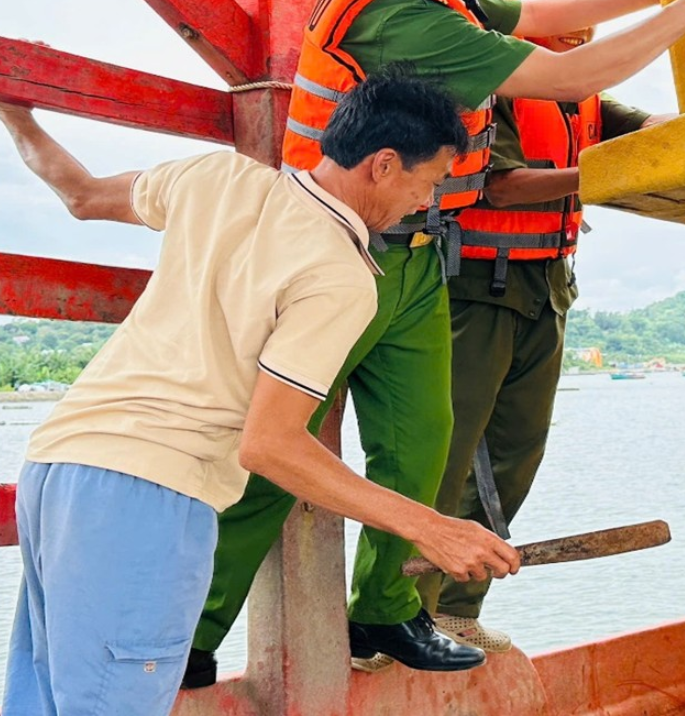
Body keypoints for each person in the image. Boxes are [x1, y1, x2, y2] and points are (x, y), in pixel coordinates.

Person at [188, 0, 685, 680]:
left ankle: (385, 613)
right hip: (335, 251)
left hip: (419, 253)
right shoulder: (400, 14)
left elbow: (540, 18)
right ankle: (194, 632)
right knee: (284, 462)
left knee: (427, 448)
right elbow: (572, 76)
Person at [0, 71, 520, 716]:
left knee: (42, 698)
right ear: (384, 164)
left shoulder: (216, 179)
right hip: (153, 491)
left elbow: (79, 196)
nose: (426, 198)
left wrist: (18, 116)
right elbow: (270, 446)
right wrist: (430, 526)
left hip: (58, 467)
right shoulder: (340, 275)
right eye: (431, 180)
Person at [422, 0, 669, 650]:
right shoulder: (494, 80)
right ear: (527, 21)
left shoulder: (588, 97)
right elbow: (502, 187)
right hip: (476, 285)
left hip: (548, 288)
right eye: (560, 29)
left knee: (515, 456)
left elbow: (652, 128)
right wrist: (609, 173)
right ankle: (398, 612)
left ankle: (455, 611)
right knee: (446, 456)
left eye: (586, 29)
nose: (574, 44)